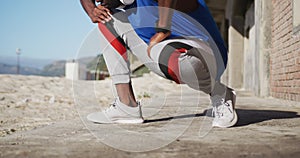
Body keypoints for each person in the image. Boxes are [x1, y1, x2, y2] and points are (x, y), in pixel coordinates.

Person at [80, 0, 238, 128]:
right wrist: (92, 10)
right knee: (107, 21)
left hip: (206, 53)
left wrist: (163, 28)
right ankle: (126, 106)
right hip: (160, 51)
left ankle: (220, 93)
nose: (102, 2)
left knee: (173, 58)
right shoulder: (127, 7)